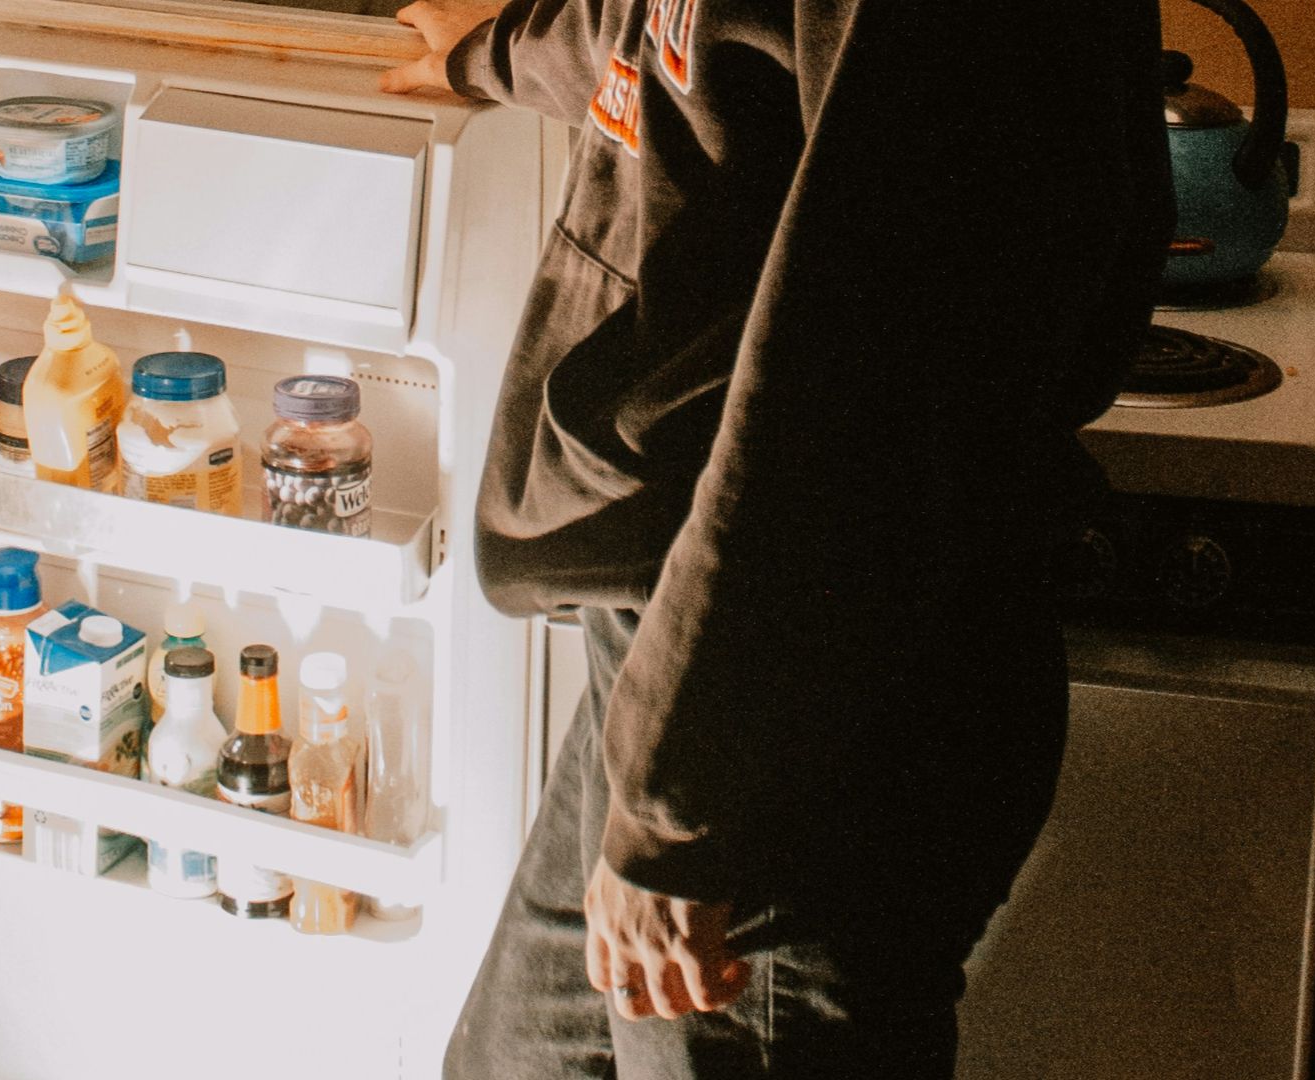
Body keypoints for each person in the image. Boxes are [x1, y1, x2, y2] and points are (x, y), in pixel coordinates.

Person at [383, 1, 1175, 1076]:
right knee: (511, 1060)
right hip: (697, 653)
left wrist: (684, 812)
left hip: (812, 688)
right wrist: (497, 50)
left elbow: (862, 411)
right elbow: (694, 61)